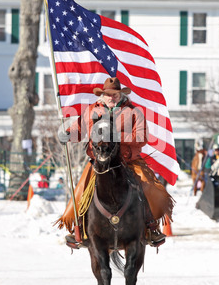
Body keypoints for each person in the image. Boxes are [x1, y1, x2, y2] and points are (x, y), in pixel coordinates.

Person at [56, 77, 174, 248]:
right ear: (102, 95)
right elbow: (79, 129)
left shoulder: (134, 112)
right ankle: (78, 228)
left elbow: (141, 137)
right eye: (108, 94)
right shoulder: (90, 111)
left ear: (121, 95)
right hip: (99, 161)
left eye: (115, 94)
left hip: (128, 161)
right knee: (81, 190)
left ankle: (151, 227)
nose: (112, 97)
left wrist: (116, 137)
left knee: (148, 186)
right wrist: (68, 134)